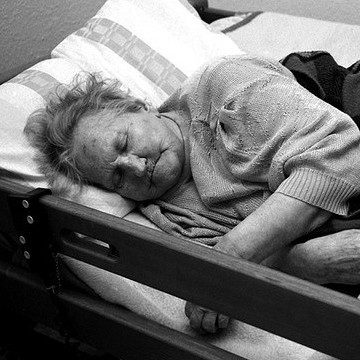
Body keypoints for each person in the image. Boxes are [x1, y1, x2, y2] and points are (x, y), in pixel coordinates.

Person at [24, 54, 360, 335]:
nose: (137, 168)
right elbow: (256, 265)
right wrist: (306, 264)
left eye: (124, 142)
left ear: (139, 107)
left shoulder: (225, 86)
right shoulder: (167, 214)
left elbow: (341, 152)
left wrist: (228, 258)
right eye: (117, 177)